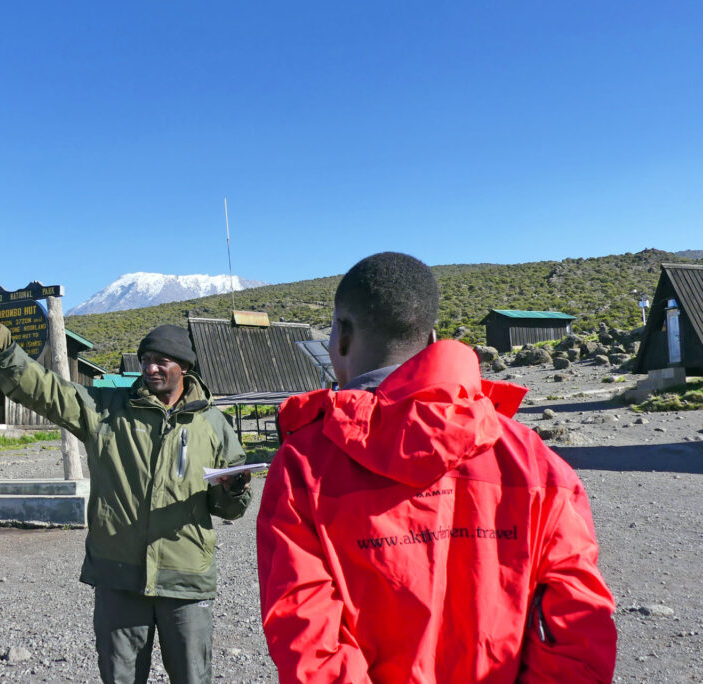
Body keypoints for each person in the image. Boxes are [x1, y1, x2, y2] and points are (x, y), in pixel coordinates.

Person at [256, 252, 617, 683]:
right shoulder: (536, 460)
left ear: (343, 335)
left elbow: (308, 641)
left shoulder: (303, 465)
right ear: (430, 339)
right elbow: (577, 633)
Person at [0, 307, 252, 684]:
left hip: (186, 579)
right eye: (145, 360)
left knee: (194, 677)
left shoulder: (213, 425)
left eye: (161, 361)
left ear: (184, 369)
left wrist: (235, 491)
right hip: (119, 577)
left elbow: (229, 507)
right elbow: (45, 389)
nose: (150, 368)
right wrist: (1, 343)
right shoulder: (107, 412)